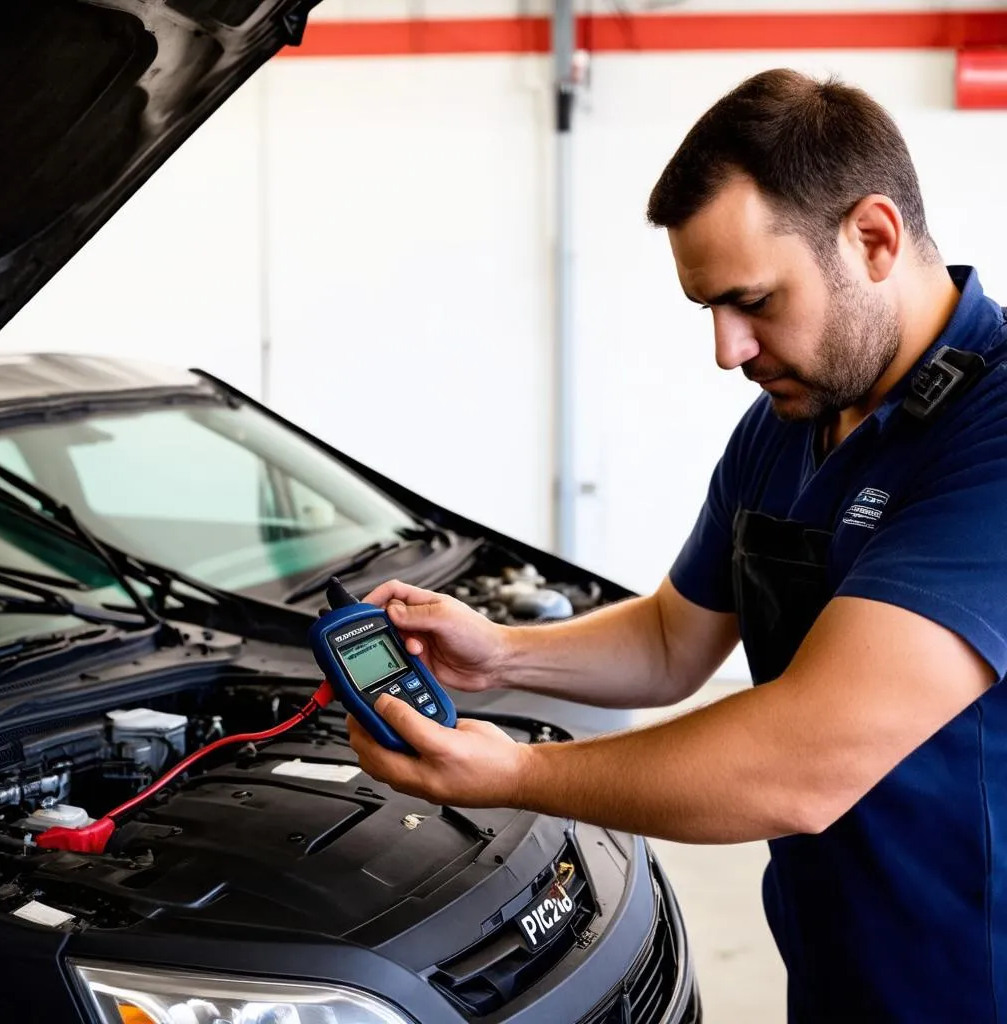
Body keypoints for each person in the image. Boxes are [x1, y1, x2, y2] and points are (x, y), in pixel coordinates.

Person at [347, 68, 1007, 1022]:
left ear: (873, 238)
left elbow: (805, 762)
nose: (728, 350)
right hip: (841, 972)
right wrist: (502, 653)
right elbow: (672, 640)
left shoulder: (989, 429)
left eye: (754, 302)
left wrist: (520, 776)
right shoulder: (791, 421)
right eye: (709, 311)